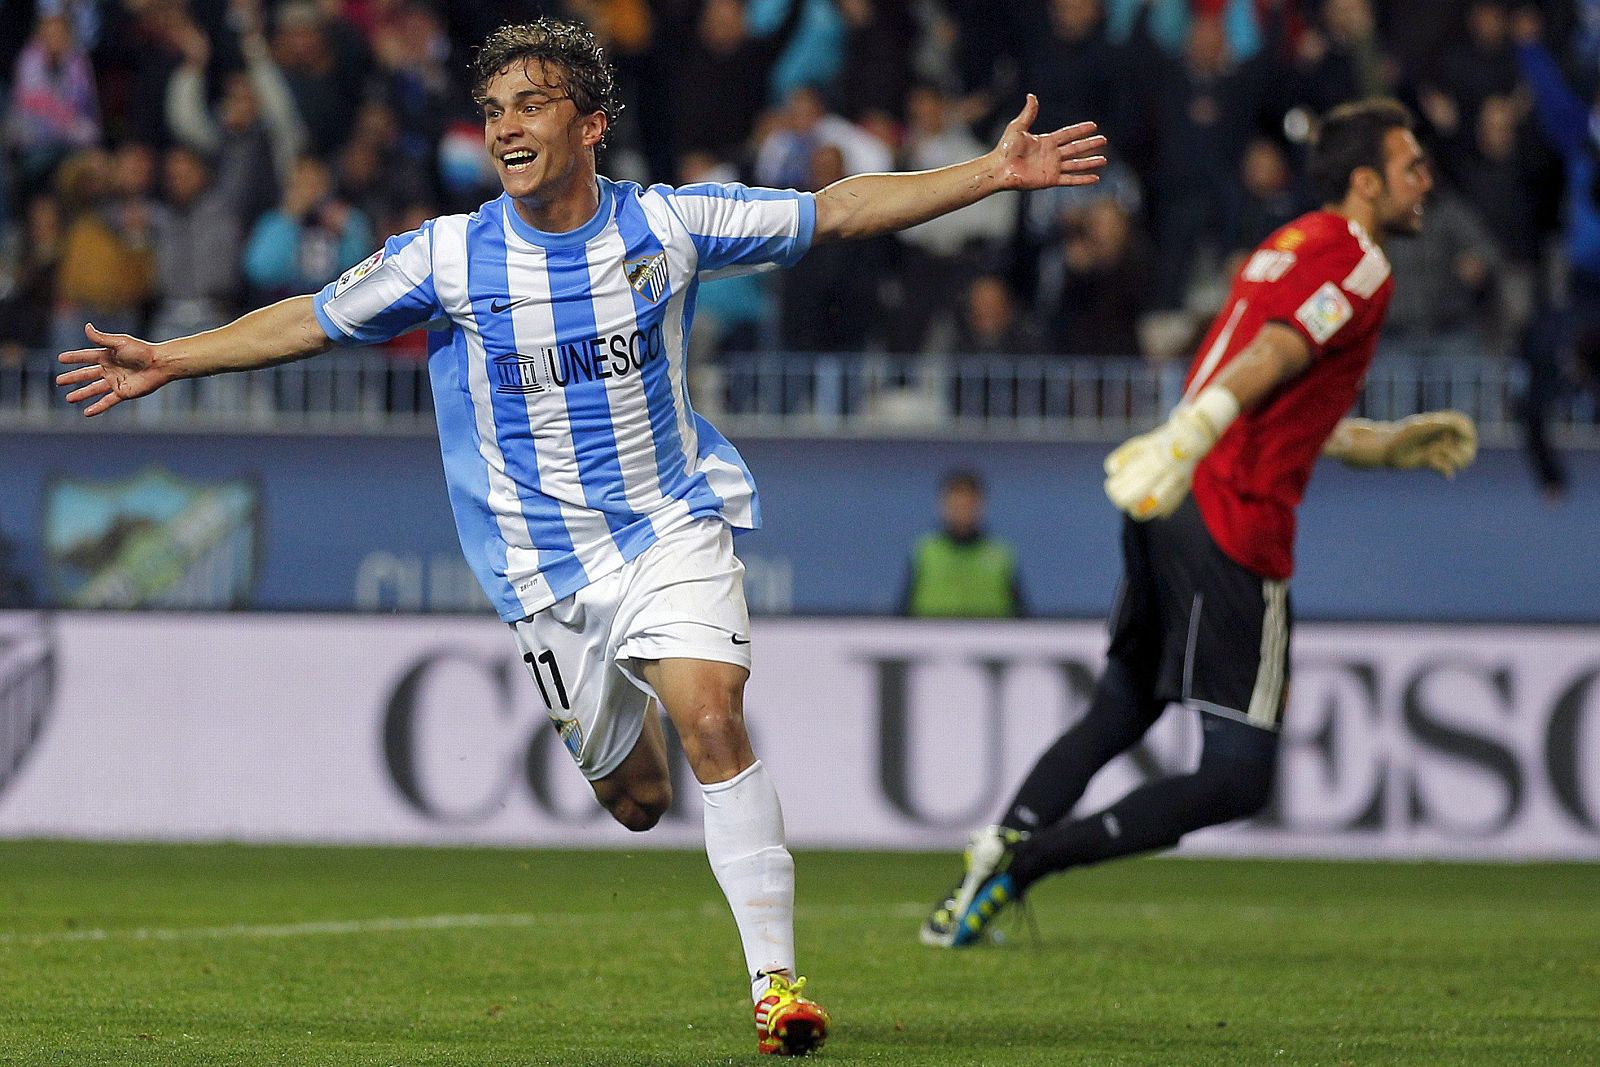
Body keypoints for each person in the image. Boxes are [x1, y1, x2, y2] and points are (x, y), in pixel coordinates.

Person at [55, 17, 1108, 1054]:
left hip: (669, 524)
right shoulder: (451, 257)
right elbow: (310, 317)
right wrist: (174, 359)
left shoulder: (667, 225)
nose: (507, 126)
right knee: (639, 799)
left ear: (591, 124)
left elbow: (833, 209)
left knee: (711, 713)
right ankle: (616, 736)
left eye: (532, 104)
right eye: (495, 109)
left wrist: (984, 174)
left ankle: (776, 985)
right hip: (541, 567)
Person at [919, 98, 1478, 949]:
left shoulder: (1284, 246)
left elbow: (1279, 393)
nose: (1425, 181)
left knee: (1123, 705)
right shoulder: (1359, 262)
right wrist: (1197, 430)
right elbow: (1277, 354)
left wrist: (1379, 444)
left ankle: (981, 870)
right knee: (1238, 776)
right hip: (1231, 516)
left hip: (1169, 494)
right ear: (1366, 182)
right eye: (1412, 167)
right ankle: (1025, 865)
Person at [901, 469, 1025, 619]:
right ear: (943, 505)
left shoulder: (1001, 556)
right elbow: (903, 616)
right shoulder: (924, 552)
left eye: (968, 503)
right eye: (956, 502)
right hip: (933, 640)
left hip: (988, 640)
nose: (962, 509)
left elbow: (1022, 619)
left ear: (980, 505)